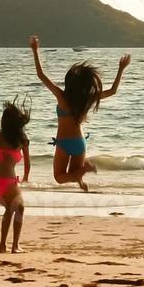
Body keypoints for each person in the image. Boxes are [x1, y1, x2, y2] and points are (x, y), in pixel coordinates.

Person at [28, 36, 129, 191]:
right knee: (75, 173)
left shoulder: (62, 98)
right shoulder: (87, 99)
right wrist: (121, 69)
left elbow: (41, 76)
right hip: (80, 142)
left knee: (59, 177)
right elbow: (113, 91)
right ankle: (81, 179)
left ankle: (82, 173)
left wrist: (35, 50)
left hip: (64, 142)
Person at [0, 100, 31, 253]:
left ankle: (2, 246)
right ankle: (15, 246)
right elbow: (27, 164)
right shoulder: (22, 140)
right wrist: (25, 178)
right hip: (6, 183)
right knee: (20, 208)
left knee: (9, 208)